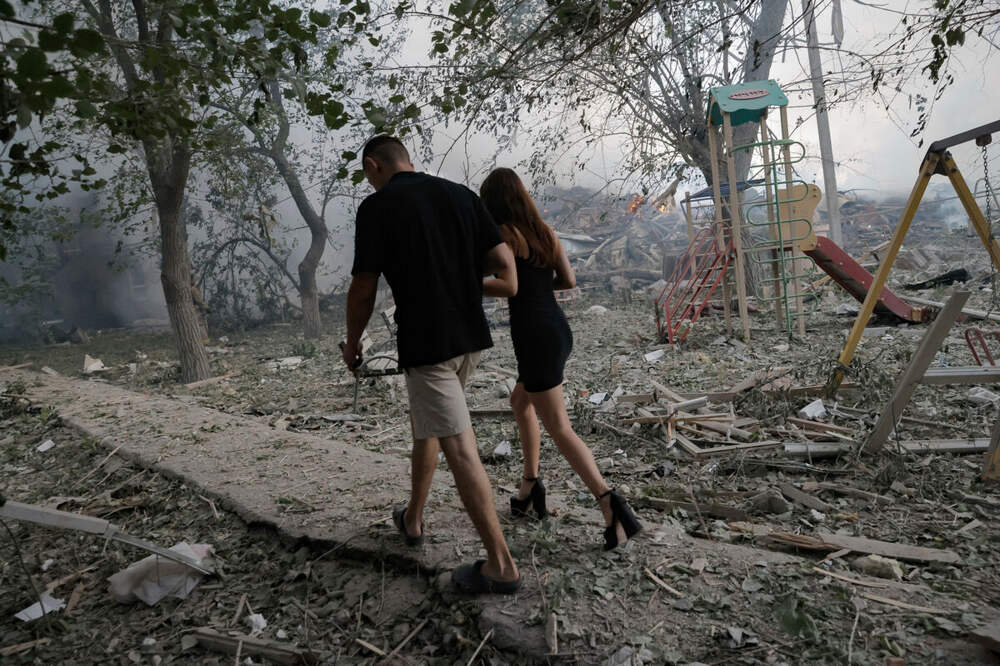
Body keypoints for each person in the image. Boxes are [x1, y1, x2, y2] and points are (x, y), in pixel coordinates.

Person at [342, 136, 521, 593]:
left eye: (367, 175)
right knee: (429, 427)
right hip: (470, 339)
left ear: (373, 166)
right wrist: (458, 281)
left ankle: (501, 567)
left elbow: (364, 286)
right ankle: (413, 518)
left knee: (459, 447)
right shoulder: (460, 195)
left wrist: (353, 341)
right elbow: (504, 269)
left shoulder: (377, 207)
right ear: (408, 159)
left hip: (429, 345)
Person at [479, 167, 642, 550]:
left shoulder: (503, 235)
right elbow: (568, 281)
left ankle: (610, 504)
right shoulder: (546, 233)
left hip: (534, 335)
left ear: (493, 202)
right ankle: (530, 487)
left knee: (560, 428)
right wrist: (536, 287)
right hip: (556, 327)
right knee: (520, 403)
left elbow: (501, 282)